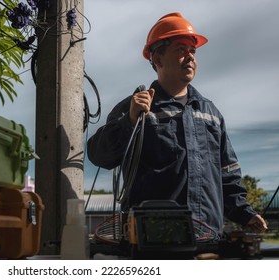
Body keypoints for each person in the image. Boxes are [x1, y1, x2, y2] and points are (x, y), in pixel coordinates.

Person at [87, 12, 267, 240]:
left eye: (192, 51)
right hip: (152, 241)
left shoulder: (210, 114)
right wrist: (129, 121)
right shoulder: (135, 109)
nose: (190, 57)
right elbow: (98, 155)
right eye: (180, 50)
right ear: (158, 59)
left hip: (206, 239)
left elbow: (227, 175)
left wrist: (244, 213)